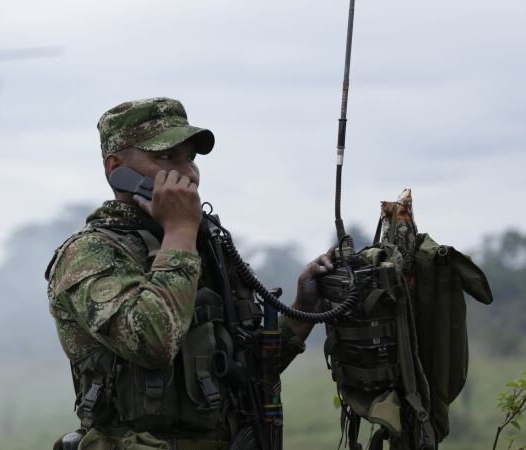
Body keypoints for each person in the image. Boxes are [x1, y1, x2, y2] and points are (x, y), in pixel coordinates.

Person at [46, 97, 332, 450]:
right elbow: (153, 341)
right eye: (166, 158)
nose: (189, 173)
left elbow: (243, 373)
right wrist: (179, 230)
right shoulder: (90, 253)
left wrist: (302, 311)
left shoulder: (203, 244)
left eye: (190, 158)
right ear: (116, 168)